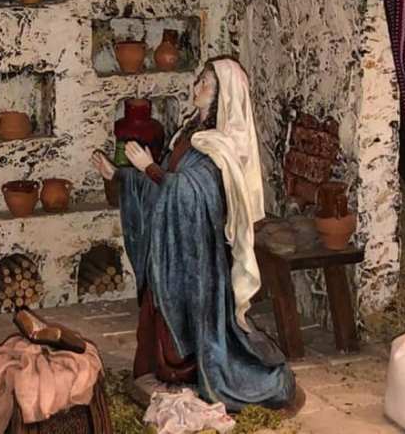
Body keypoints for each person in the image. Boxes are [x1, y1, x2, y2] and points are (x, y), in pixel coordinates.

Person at [91, 57, 295, 411]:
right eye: (198, 79)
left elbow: (193, 191)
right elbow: (165, 182)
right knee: (160, 307)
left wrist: (149, 168)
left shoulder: (219, 145)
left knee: (194, 316)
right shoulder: (188, 133)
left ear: (222, 97)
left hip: (197, 249)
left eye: (206, 84)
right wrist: (121, 175)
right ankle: (170, 372)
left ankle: (203, 374)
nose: (196, 87)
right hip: (169, 241)